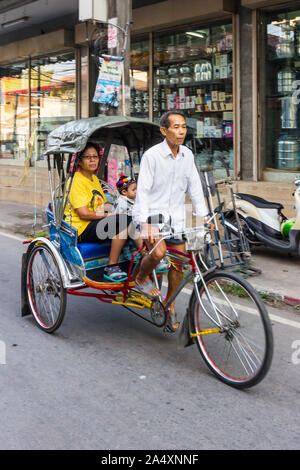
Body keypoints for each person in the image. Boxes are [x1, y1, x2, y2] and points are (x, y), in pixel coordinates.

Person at [132, 111, 209, 331]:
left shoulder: (187, 155)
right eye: (175, 127)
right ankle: (141, 277)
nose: (181, 131)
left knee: (178, 263)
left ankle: (170, 304)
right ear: (164, 131)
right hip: (153, 216)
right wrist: (144, 222)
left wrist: (204, 215)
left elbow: (195, 187)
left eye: (183, 126)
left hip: (176, 218)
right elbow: (143, 192)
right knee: (157, 253)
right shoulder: (152, 156)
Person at [64, 143, 138, 282]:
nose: (92, 160)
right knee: (123, 220)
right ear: (79, 160)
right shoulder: (75, 181)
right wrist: (110, 216)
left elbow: (101, 206)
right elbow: (84, 214)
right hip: (81, 229)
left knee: (130, 219)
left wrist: (113, 212)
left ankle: (144, 255)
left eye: (95, 157)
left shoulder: (95, 180)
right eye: (88, 157)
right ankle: (112, 266)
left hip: (95, 224)